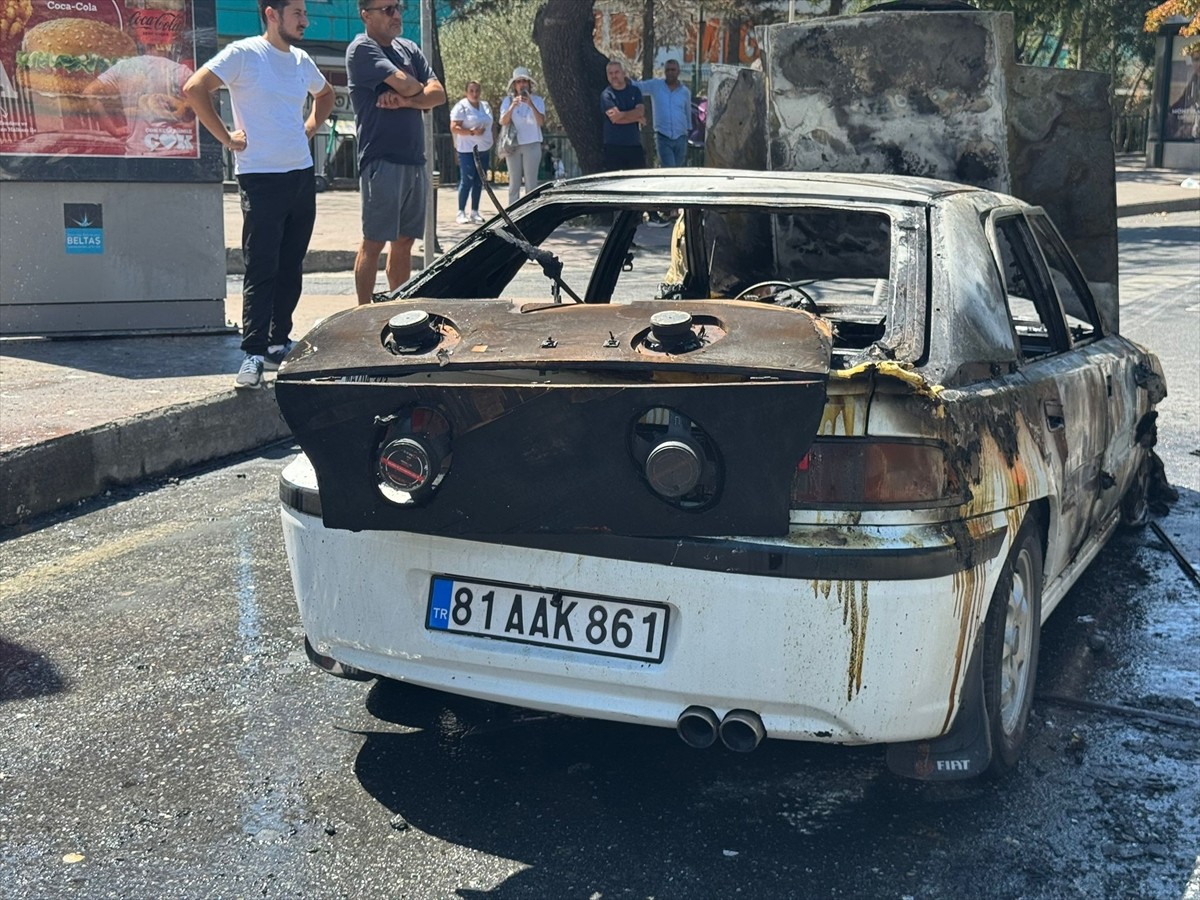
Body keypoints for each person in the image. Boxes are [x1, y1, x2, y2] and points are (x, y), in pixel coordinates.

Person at [184, 0, 334, 390]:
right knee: (262, 266)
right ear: (272, 14)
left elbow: (327, 94)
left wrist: (311, 126)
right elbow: (195, 89)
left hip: (300, 175)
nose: (305, 20)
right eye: (297, 13)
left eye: (305, 13)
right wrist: (226, 137)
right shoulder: (245, 54)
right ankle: (252, 352)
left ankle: (278, 341)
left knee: (291, 265)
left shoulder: (301, 60)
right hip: (261, 177)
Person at [346, 0, 446, 305]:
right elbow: (406, 83)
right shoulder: (362, 49)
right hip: (381, 160)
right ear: (366, 14)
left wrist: (408, 101)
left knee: (404, 243)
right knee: (374, 242)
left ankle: (397, 309)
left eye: (398, 7)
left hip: (415, 159)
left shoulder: (409, 49)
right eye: (387, 10)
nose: (397, 15)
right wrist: (417, 91)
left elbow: (438, 94)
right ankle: (363, 315)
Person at [498, 66, 546, 205]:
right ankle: (513, 214)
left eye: (524, 81)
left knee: (531, 183)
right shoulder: (507, 101)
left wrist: (530, 104)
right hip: (514, 145)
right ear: (514, 85)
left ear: (529, 83)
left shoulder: (537, 101)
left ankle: (531, 213)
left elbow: (541, 121)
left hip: (532, 144)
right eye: (518, 82)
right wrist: (512, 107)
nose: (522, 84)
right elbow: (503, 121)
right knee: (514, 182)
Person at [632, 58, 691, 168]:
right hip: (663, 136)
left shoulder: (685, 92)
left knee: (678, 170)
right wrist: (623, 80)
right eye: (667, 70)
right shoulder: (656, 85)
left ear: (678, 71)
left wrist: (688, 130)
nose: (670, 73)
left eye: (673, 70)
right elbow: (638, 87)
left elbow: (687, 112)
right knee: (670, 169)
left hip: (681, 137)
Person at [449, 80, 493, 224]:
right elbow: (454, 127)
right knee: (466, 180)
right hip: (467, 150)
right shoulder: (461, 107)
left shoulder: (485, 106)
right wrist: (471, 132)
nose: (474, 94)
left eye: (477, 91)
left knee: (479, 180)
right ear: (466, 92)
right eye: (471, 91)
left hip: (483, 149)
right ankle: (461, 211)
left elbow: (491, 125)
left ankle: (475, 211)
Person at [600, 60, 645, 171]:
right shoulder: (606, 95)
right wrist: (636, 118)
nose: (614, 76)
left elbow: (640, 111)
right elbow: (615, 119)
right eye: (610, 73)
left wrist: (622, 114)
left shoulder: (635, 91)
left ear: (623, 73)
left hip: (634, 145)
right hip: (613, 146)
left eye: (617, 72)